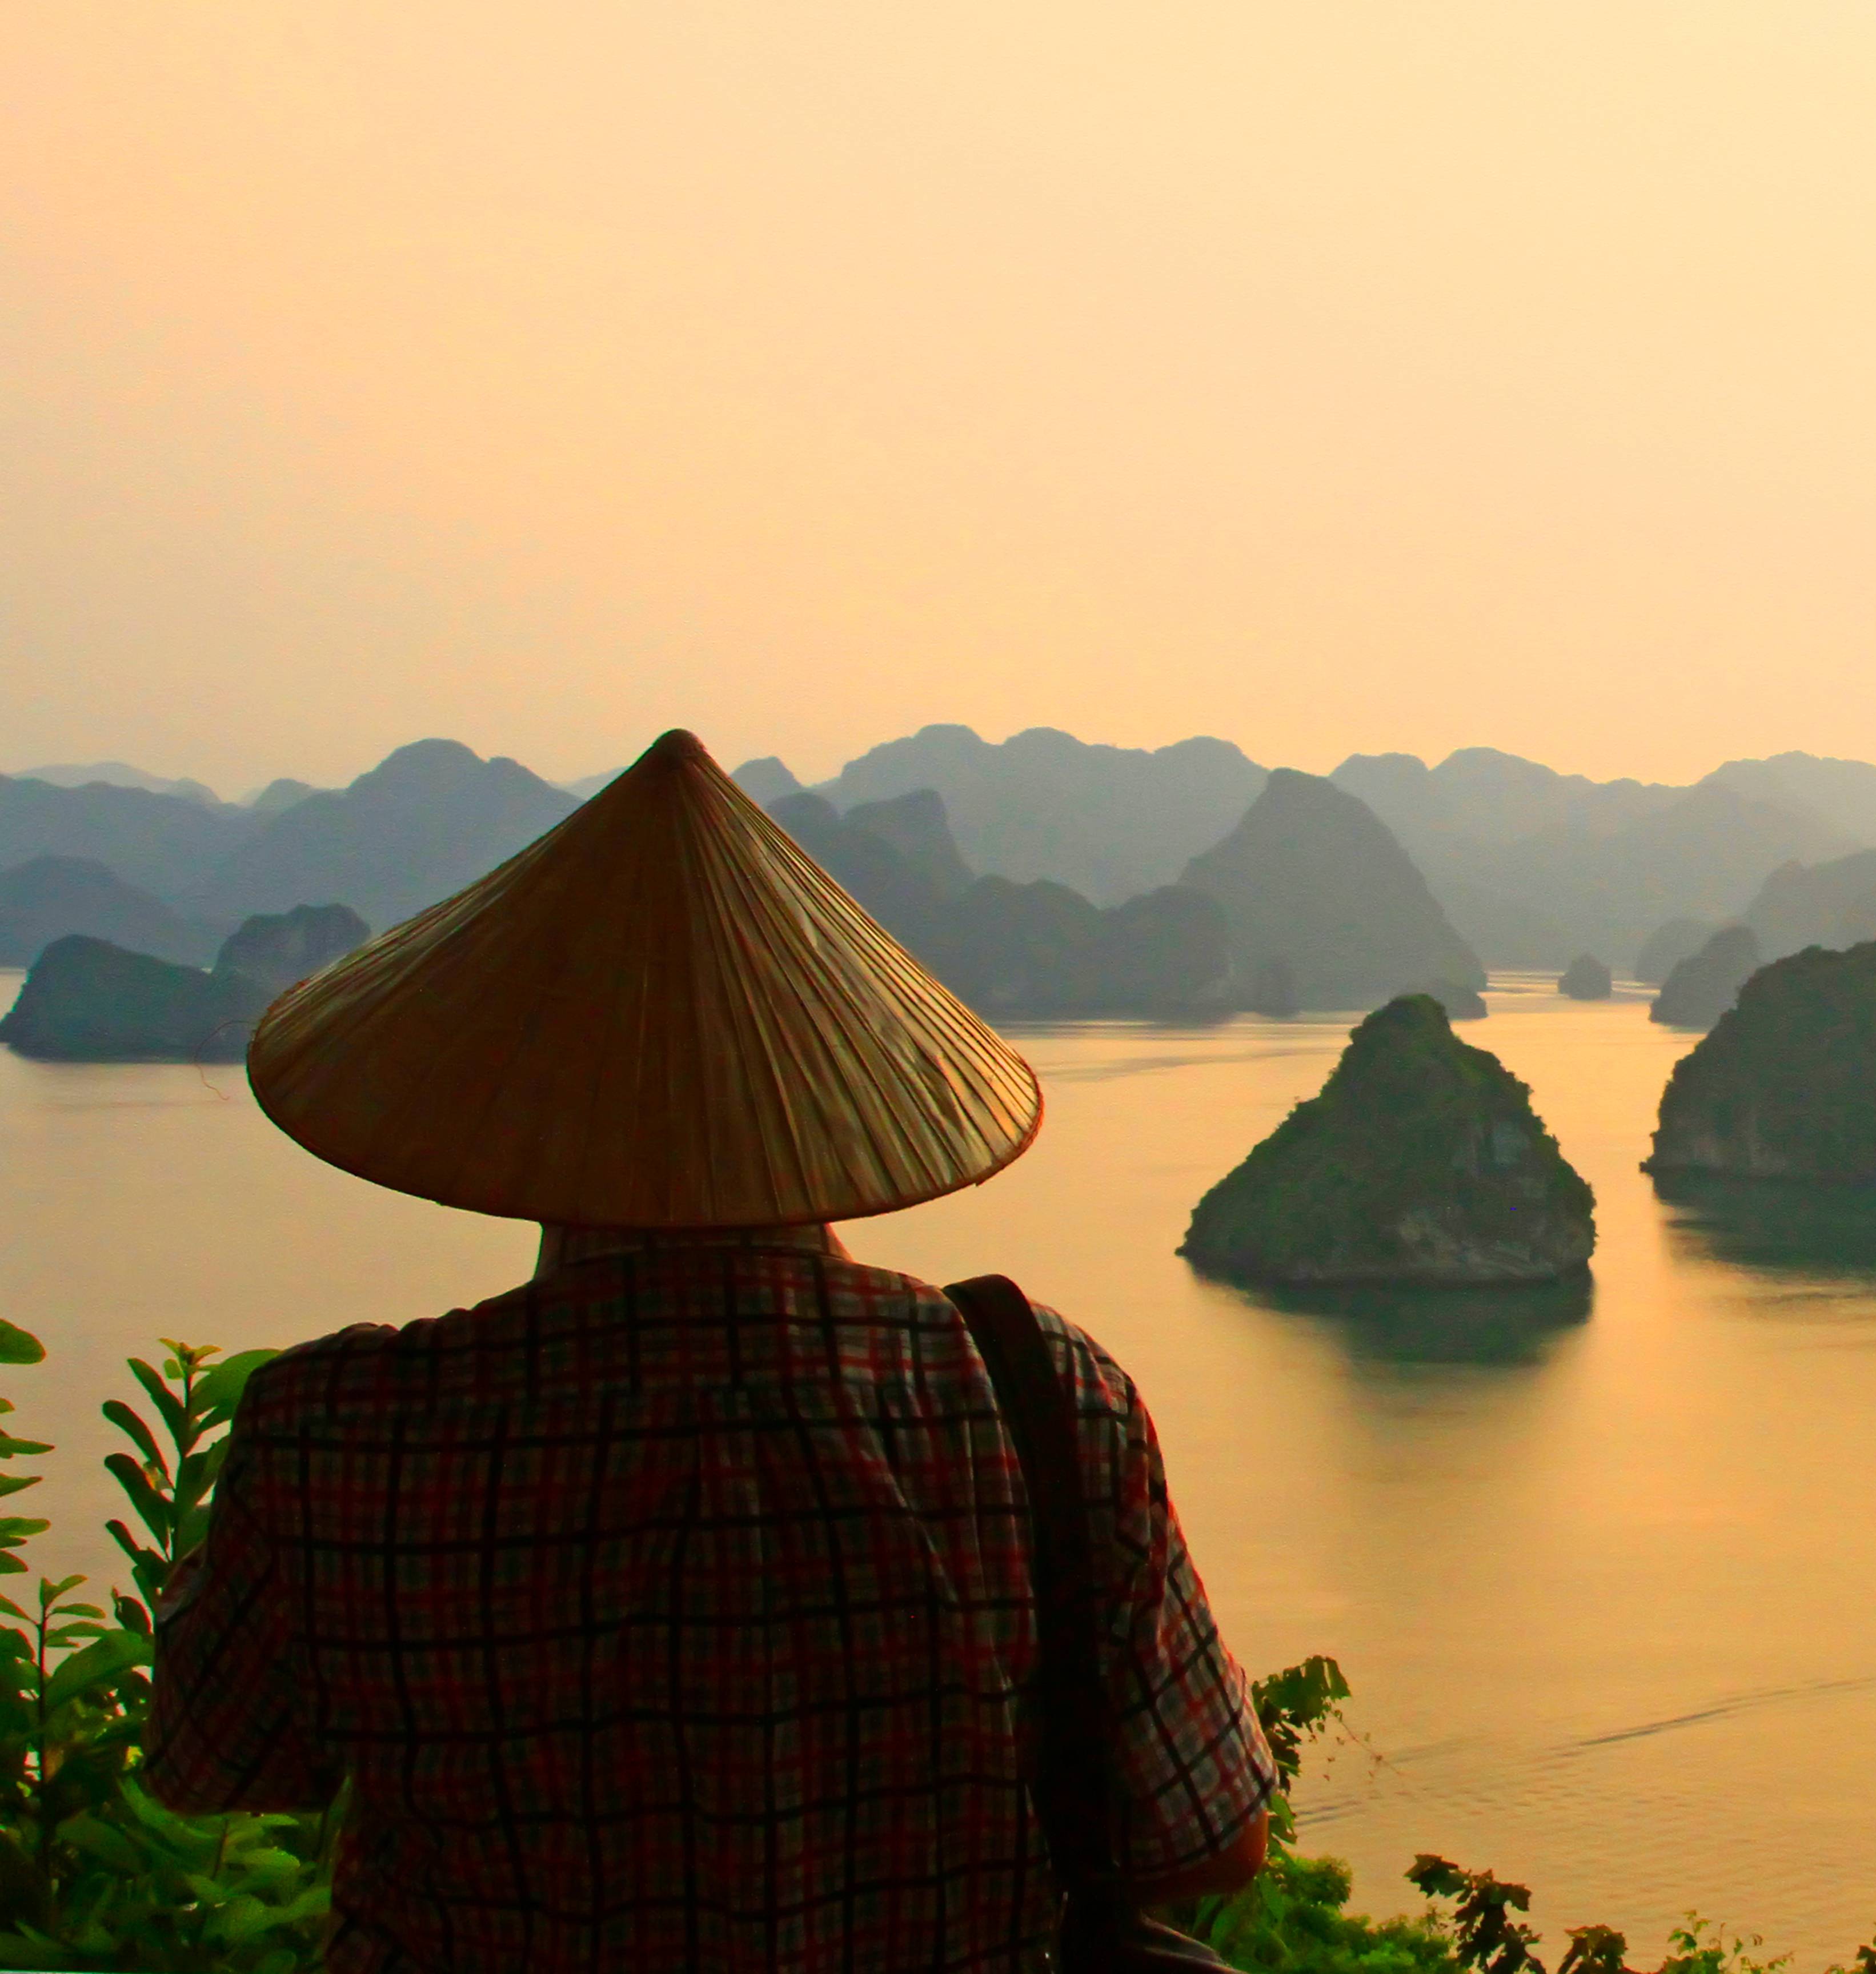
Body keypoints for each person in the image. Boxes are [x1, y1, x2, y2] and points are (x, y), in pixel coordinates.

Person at [145, 730, 1275, 1973]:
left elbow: (213, 1767)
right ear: (839, 1097)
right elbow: (1209, 1842)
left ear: (502, 1091)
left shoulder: (340, 1432)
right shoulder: (1038, 1398)